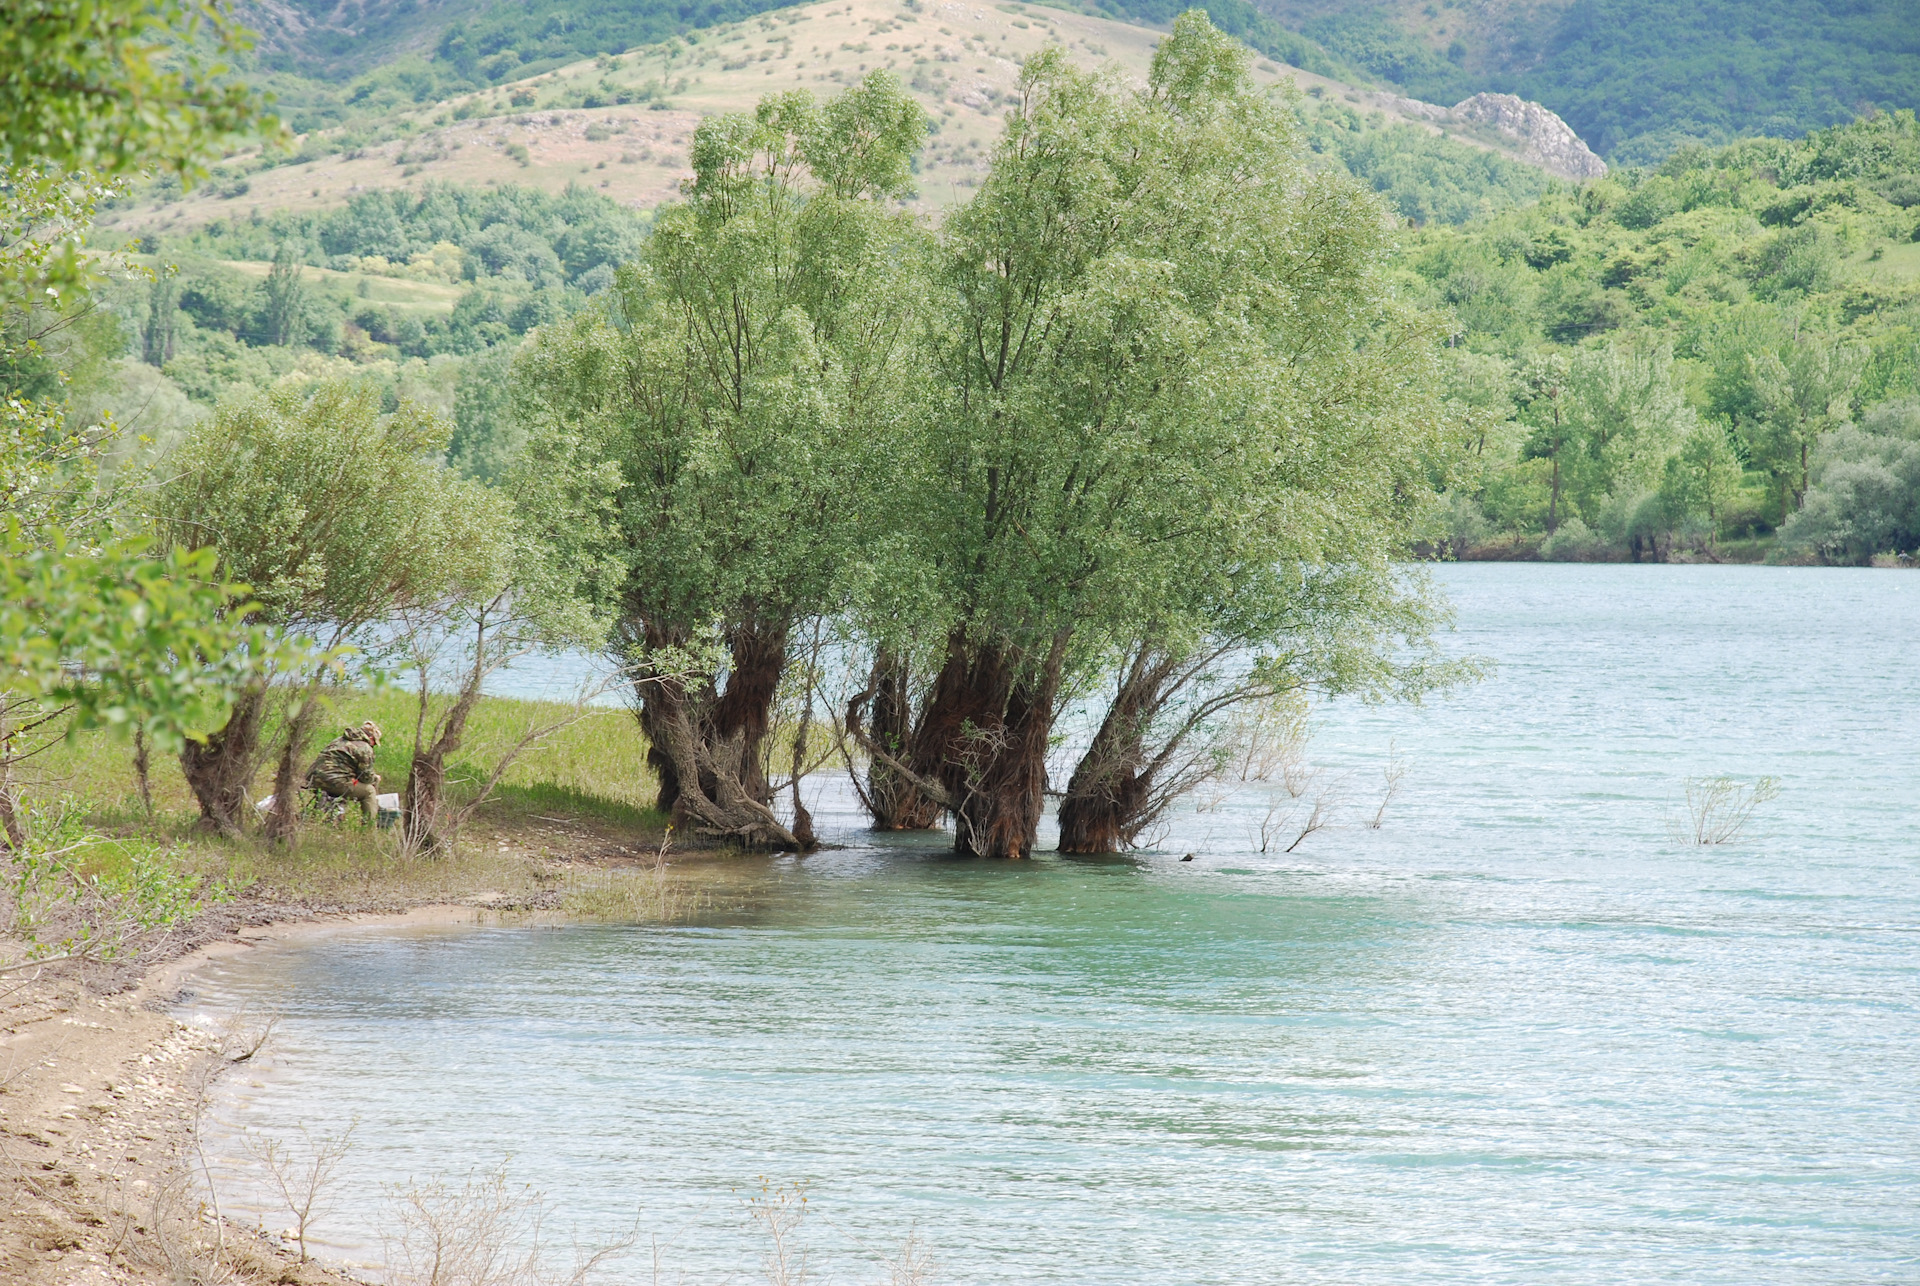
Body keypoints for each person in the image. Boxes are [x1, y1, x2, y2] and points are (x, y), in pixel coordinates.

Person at [305, 721, 383, 823]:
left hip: (313, 778)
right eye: (374, 743)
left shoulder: (339, 740)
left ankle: (322, 817)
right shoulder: (365, 747)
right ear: (371, 738)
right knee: (369, 791)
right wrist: (376, 778)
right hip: (334, 781)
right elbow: (366, 777)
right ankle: (369, 826)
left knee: (350, 783)